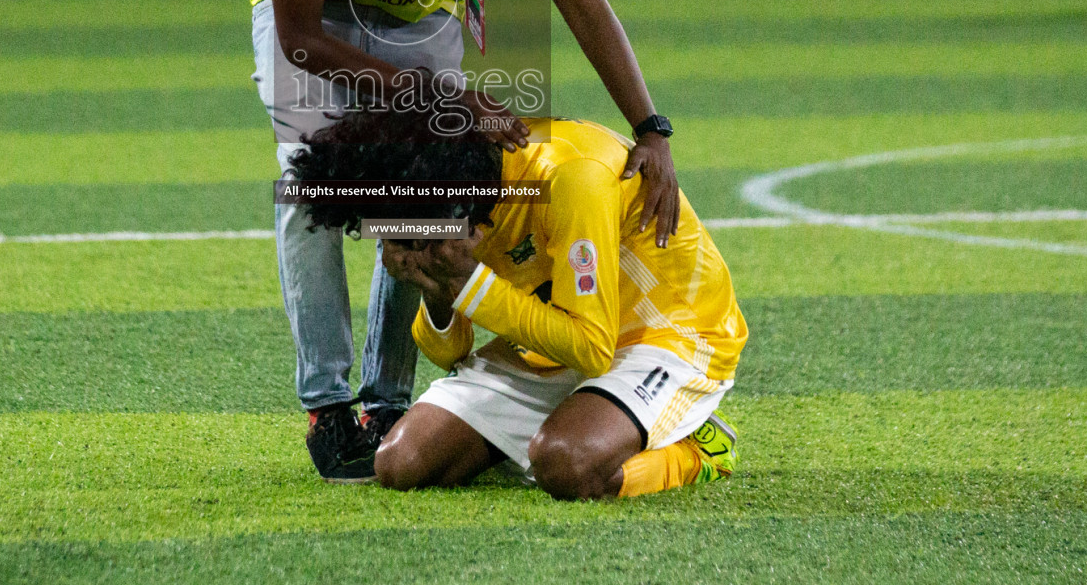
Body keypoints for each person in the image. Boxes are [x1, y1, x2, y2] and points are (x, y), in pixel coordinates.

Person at [244, 0, 681, 482]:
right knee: (311, 175)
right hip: (316, 15)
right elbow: (301, 41)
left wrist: (649, 125)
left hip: (418, 6)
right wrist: (441, 101)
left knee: (424, 183)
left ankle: (385, 400)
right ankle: (327, 404)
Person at [289, 106, 746, 499]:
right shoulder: (454, 195)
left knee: (567, 464)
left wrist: (470, 281)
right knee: (400, 463)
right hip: (557, 338)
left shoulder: (572, 177)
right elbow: (452, 353)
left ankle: (696, 449)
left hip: (668, 334)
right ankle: (593, 415)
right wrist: (435, 284)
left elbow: (592, 349)